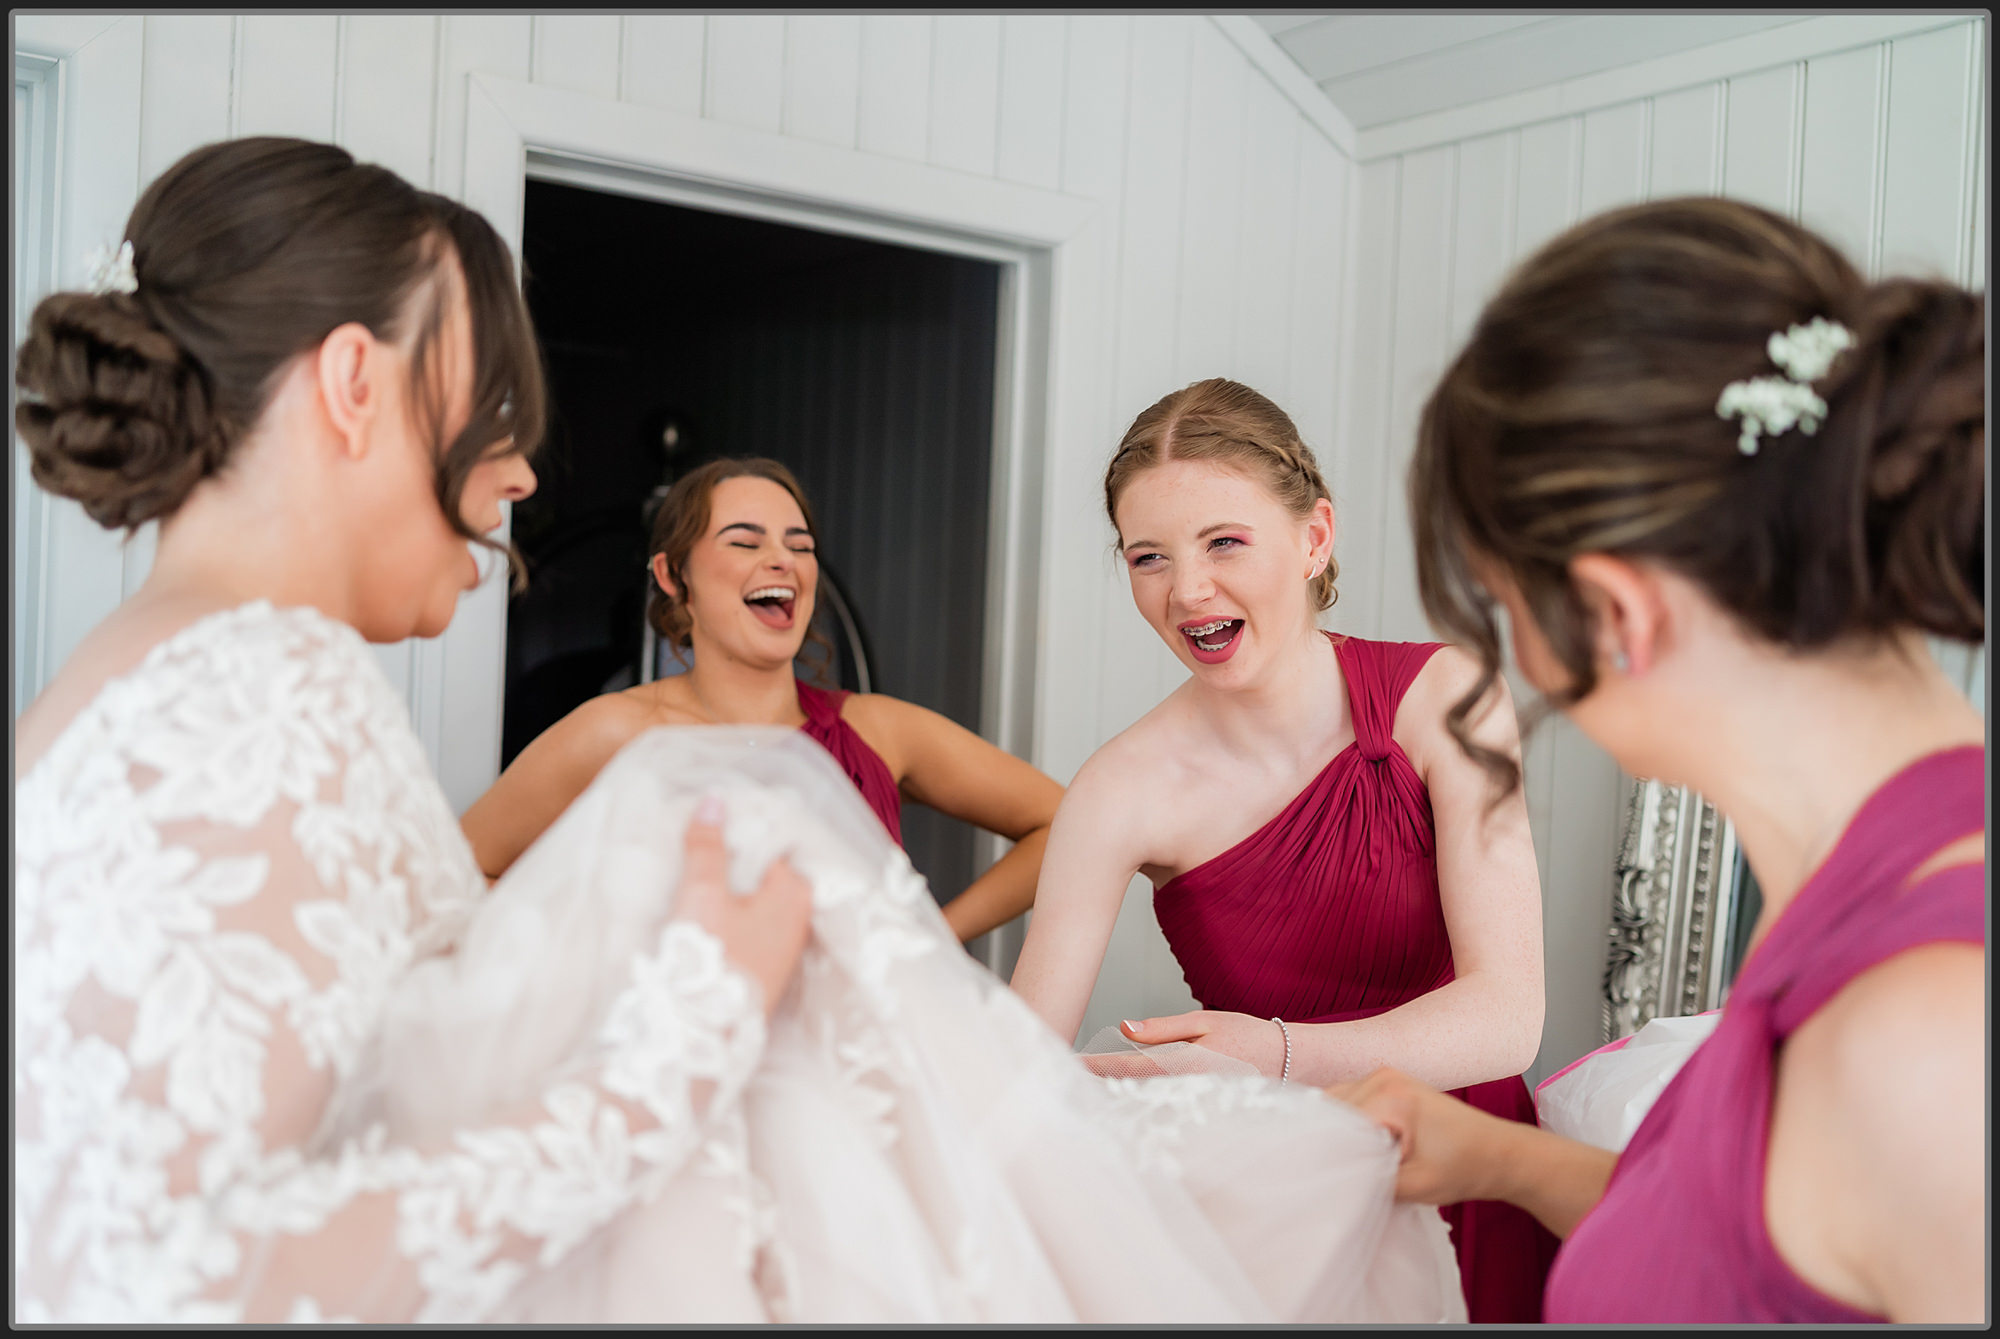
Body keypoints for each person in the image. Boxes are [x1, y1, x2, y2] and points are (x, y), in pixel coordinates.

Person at [13, 136, 1466, 1325]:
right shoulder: (257, 690)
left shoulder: (150, 679)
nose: (515, 469)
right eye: (490, 405)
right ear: (347, 387)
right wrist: (685, 1024)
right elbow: (194, 1272)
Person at [1331, 196, 1984, 1323]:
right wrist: (1500, 1160)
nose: (1520, 659)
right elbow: (1761, 1248)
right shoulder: (1857, 879)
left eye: (1499, 605)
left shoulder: (1926, 1037)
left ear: (1612, 612)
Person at [1008, 378, 1559, 1322]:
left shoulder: (1445, 697)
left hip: (1471, 1169)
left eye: (1224, 541)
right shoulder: (1117, 791)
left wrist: (1272, 1054)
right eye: (1149, 557)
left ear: (1313, 538)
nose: (1187, 590)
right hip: (1285, 1223)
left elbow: (1509, 1017)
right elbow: (1012, 1069)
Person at [460, 456, 1064, 944]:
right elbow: (457, 877)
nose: (783, 560)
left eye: (799, 546)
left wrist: (932, 937)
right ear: (674, 577)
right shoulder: (612, 732)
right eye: (745, 542)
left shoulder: (879, 730)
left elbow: (1064, 821)